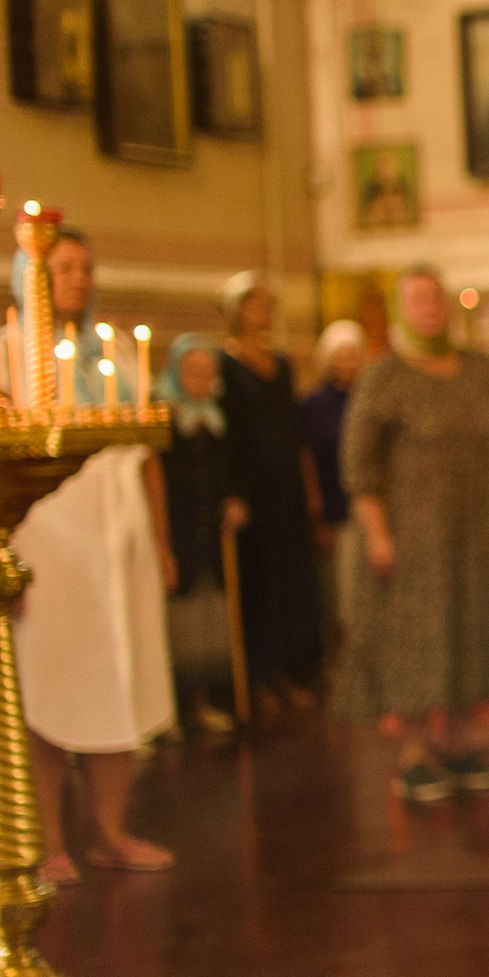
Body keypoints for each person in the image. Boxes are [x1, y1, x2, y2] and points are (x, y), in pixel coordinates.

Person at [8, 229, 176, 882]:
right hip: (47, 542)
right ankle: (49, 839)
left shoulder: (113, 355)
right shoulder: (3, 356)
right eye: (62, 267)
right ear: (30, 276)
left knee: (120, 684)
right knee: (47, 688)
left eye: (85, 266)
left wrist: (159, 541)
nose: (77, 278)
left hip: (118, 541)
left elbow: (146, 457)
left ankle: (111, 829)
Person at [335, 265, 489, 803]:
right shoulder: (384, 376)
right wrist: (377, 533)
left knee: (473, 627)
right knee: (416, 639)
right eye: (417, 299)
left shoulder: (479, 368)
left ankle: (461, 740)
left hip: (480, 528)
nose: (430, 308)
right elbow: (360, 464)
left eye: (436, 298)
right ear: (402, 309)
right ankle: (416, 753)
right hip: (414, 535)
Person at [216, 273, 325, 711]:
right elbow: (228, 434)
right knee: (258, 584)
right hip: (251, 489)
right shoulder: (225, 363)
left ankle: (293, 670)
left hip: (287, 487)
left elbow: (296, 433)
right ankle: (260, 677)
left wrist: (310, 487)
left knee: (292, 581)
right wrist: (231, 492)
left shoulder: (280, 363)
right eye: (253, 303)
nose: (263, 311)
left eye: (267, 303)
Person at [162, 334, 238, 738]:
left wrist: (232, 499)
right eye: (192, 371)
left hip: (212, 533)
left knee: (210, 621)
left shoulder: (217, 419)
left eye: (208, 371)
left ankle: (207, 700)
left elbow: (227, 470)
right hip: (181, 534)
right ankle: (181, 706)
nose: (201, 379)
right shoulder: (168, 420)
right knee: (182, 625)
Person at [302, 321, 367, 655]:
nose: (347, 362)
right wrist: (316, 504)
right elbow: (308, 455)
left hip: (368, 501)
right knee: (341, 588)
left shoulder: (369, 397)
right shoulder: (315, 404)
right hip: (335, 502)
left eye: (353, 355)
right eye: (340, 355)